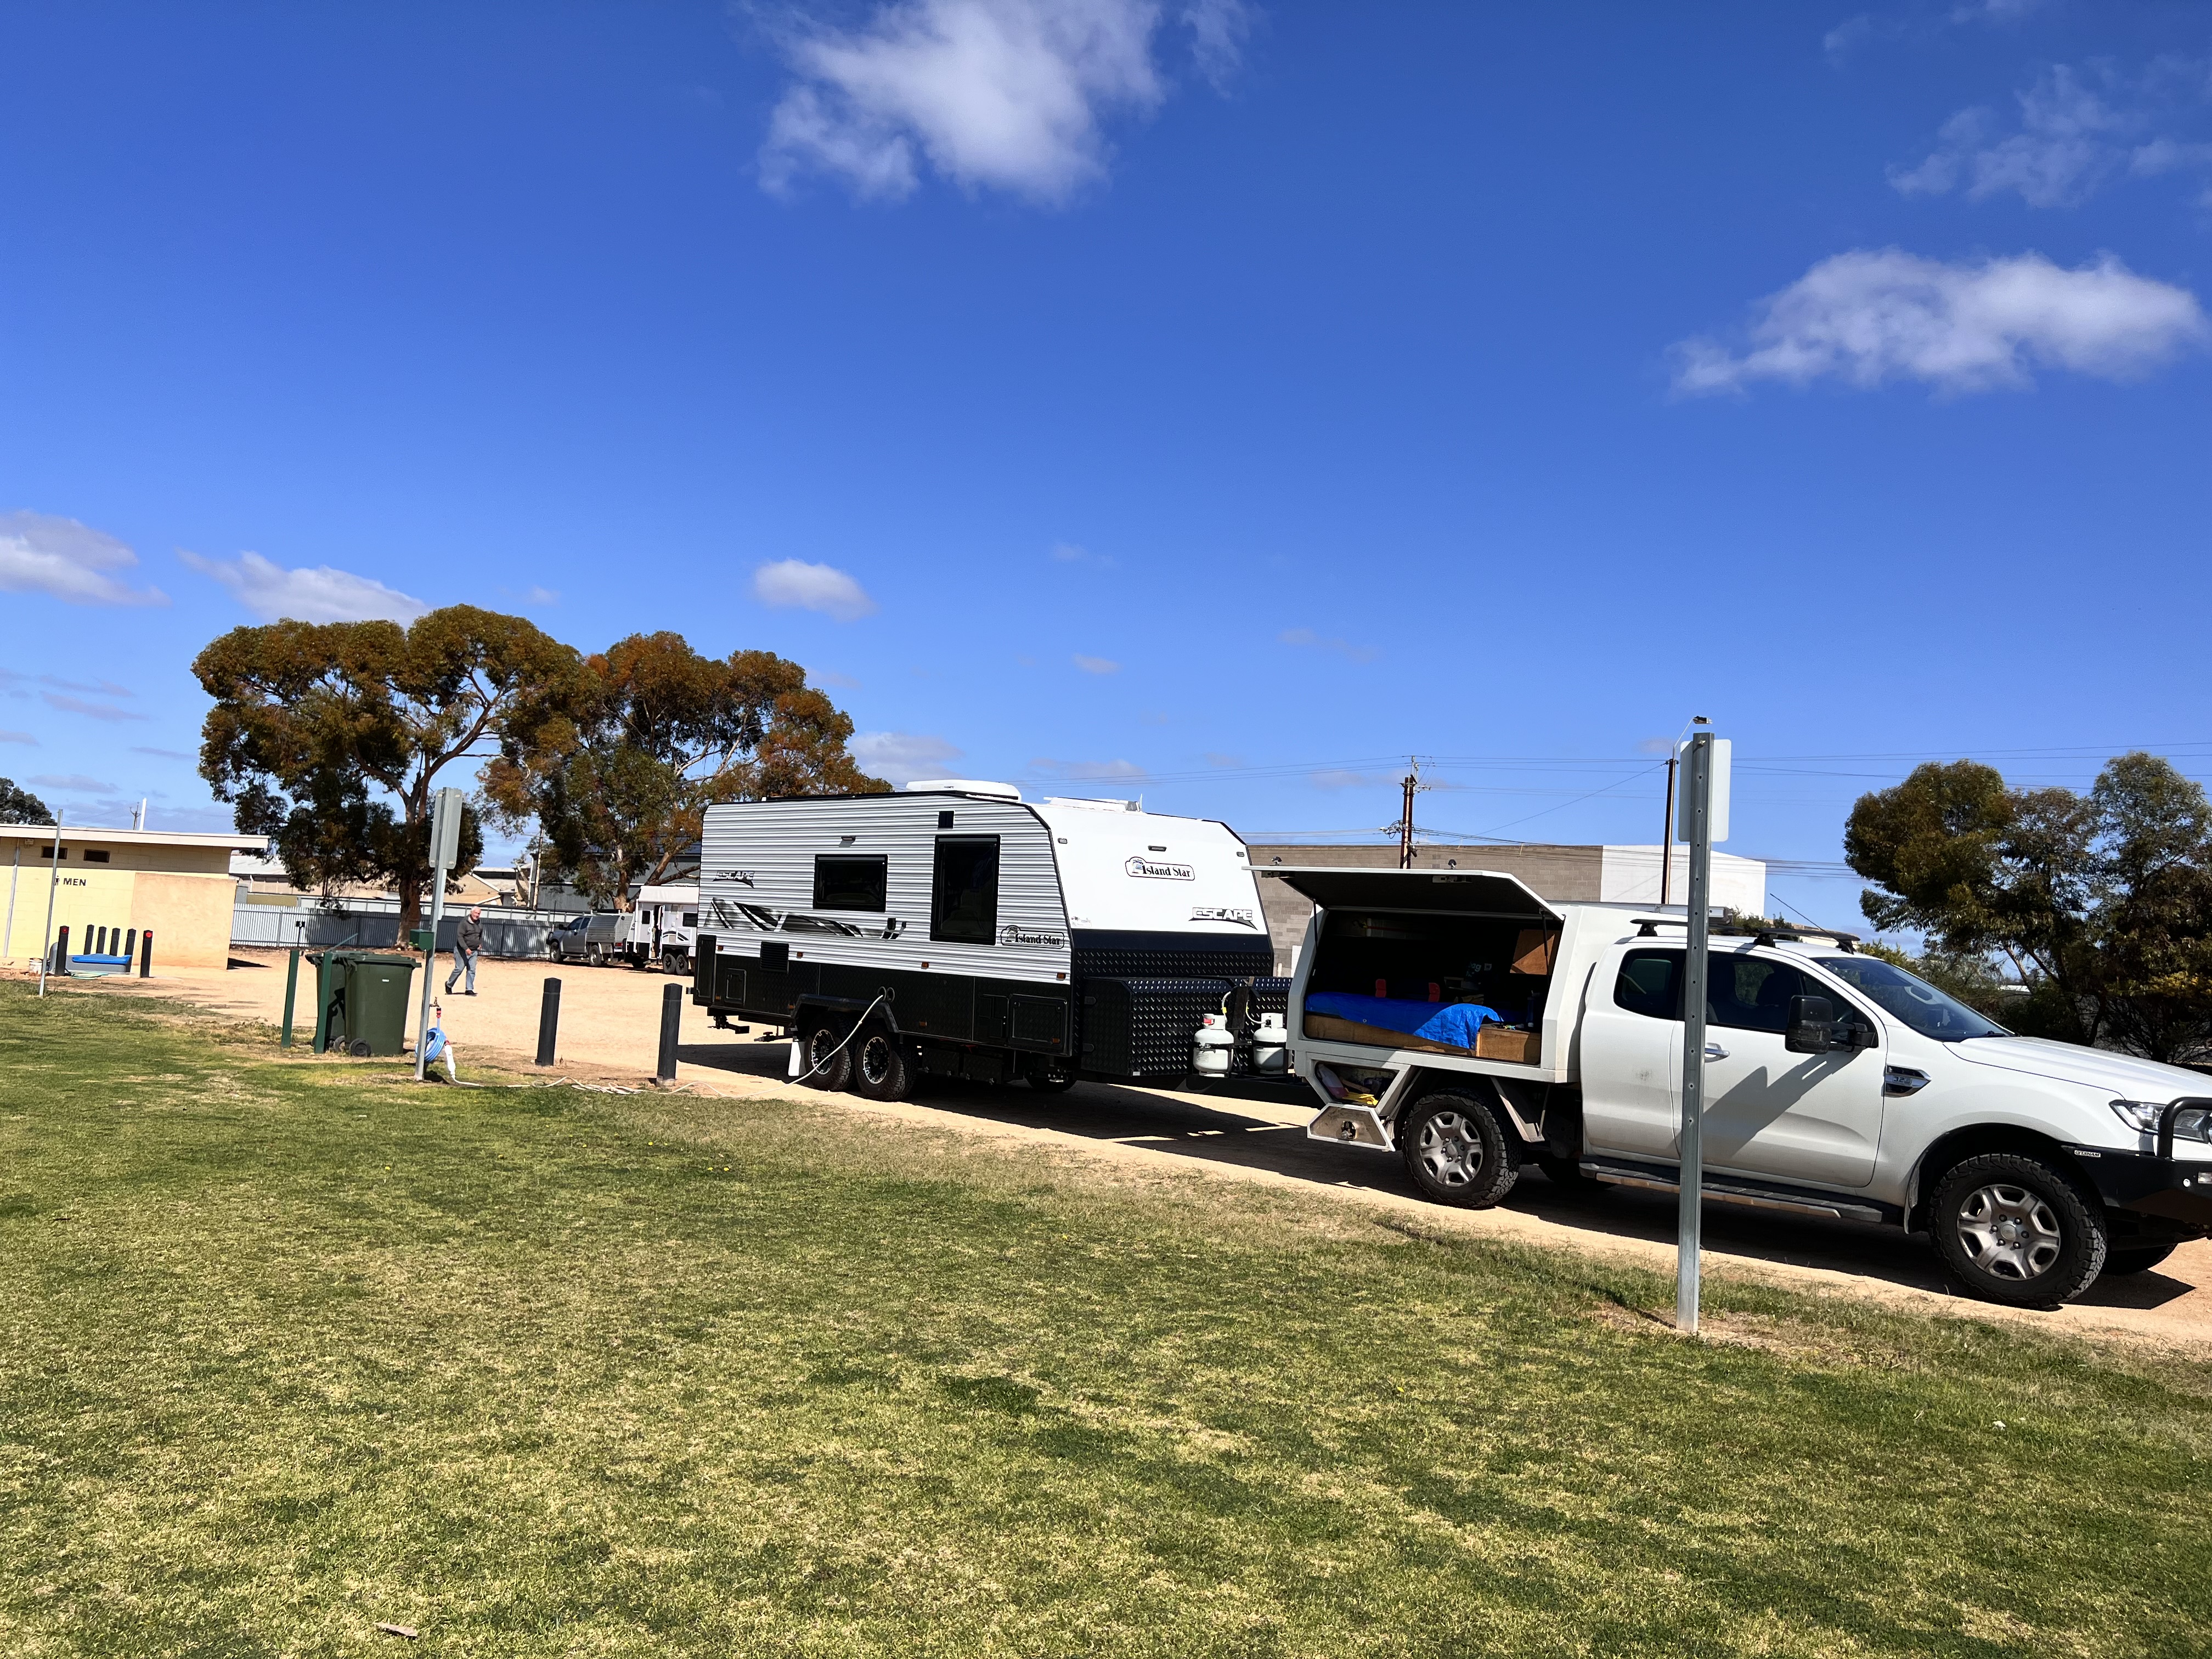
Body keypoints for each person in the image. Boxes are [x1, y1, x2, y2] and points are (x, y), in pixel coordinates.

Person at [445, 905, 484, 995]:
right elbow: (460, 937)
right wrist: (466, 948)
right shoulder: (464, 923)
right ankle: (449, 984)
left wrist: (479, 943)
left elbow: (480, 934)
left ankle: (469, 989)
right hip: (461, 950)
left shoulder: (479, 923)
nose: (477, 915)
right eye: (476, 913)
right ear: (471, 912)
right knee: (459, 969)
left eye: (479, 914)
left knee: (472, 970)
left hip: (474, 951)